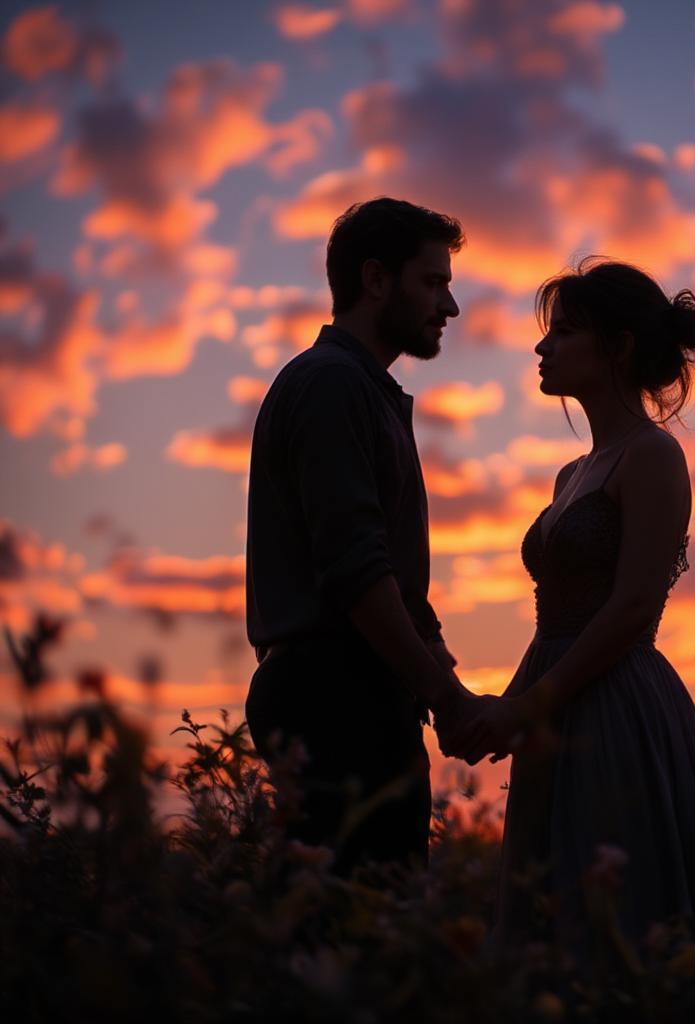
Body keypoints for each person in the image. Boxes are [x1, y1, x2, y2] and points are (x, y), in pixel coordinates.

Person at [442, 257, 695, 1019]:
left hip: (616, 709)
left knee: (615, 917)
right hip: (556, 710)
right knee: (543, 912)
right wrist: (505, 708)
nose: (542, 348)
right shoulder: (571, 474)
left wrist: (529, 706)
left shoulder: (654, 455)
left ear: (616, 348)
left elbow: (629, 611)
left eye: (563, 332)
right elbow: (551, 618)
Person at [244, 197, 484, 883]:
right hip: (332, 697)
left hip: (359, 694)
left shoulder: (363, 391)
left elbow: (397, 584)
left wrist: (443, 685)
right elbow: (357, 573)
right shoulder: (332, 387)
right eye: (433, 282)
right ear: (376, 279)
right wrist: (450, 699)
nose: (451, 305)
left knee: (371, 935)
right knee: (356, 943)